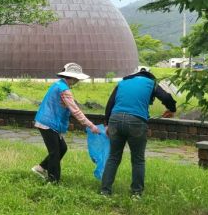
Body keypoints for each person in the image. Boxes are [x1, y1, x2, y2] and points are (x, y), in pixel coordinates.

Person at [100, 66, 177, 197]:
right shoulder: (151, 83)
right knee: (138, 159)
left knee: (113, 157)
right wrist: (172, 109)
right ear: (149, 76)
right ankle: (136, 193)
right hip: (136, 121)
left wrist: (107, 124)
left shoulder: (123, 82)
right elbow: (167, 97)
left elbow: (110, 103)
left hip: (115, 119)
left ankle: (105, 191)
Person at [31, 63, 100, 183]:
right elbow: (75, 111)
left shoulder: (58, 85)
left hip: (49, 121)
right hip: (48, 123)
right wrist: (91, 125)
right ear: (72, 78)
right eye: (77, 78)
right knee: (55, 153)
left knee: (62, 148)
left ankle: (40, 168)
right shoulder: (64, 89)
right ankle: (53, 181)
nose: (78, 81)